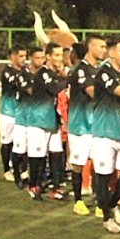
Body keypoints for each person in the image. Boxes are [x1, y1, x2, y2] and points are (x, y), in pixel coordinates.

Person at [91, 36, 120, 234]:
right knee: (103, 176)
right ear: (111, 52)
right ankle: (107, 218)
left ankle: (111, 204)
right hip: (104, 132)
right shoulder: (104, 73)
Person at [67, 35, 107, 216]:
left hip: (96, 126)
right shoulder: (80, 70)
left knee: (99, 165)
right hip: (80, 125)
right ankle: (78, 201)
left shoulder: (99, 70)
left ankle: (100, 203)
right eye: (101, 47)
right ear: (90, 47)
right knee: (78, 164)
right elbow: (93, 92)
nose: (104, 50)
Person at [25, 43, 67, 200]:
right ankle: (33, 185)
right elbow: (53, 89)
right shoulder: (43, 73)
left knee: (57, 154)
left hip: (52, 119)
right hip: (38, 119)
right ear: (48, 56)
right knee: (37, 155)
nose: (60, 58)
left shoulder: (55, 74)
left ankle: (56, 189)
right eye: (56, 55)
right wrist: (69, 78)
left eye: (61, 55)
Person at [12, 46, 43, 189]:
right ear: (31, 58)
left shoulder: (45, 74)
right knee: (19, 151)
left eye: (42, 58)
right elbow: (32, 91)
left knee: (38, 152)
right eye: (37, 58)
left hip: (38, 119)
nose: (40, 61)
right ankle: (17, 174)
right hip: (23, 118)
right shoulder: (23, 75)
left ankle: (35, 180)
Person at [0, 45, 27, 182]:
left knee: (23, 142)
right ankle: (6, 170)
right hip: (7, 112)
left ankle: (22, 170)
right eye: (21, 56)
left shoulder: (25, 70)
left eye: (25, 56)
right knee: (7, 142)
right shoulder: (7, 71)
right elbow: (18, 83)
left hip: (21, 112)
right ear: (12, 57)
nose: (23, 59)